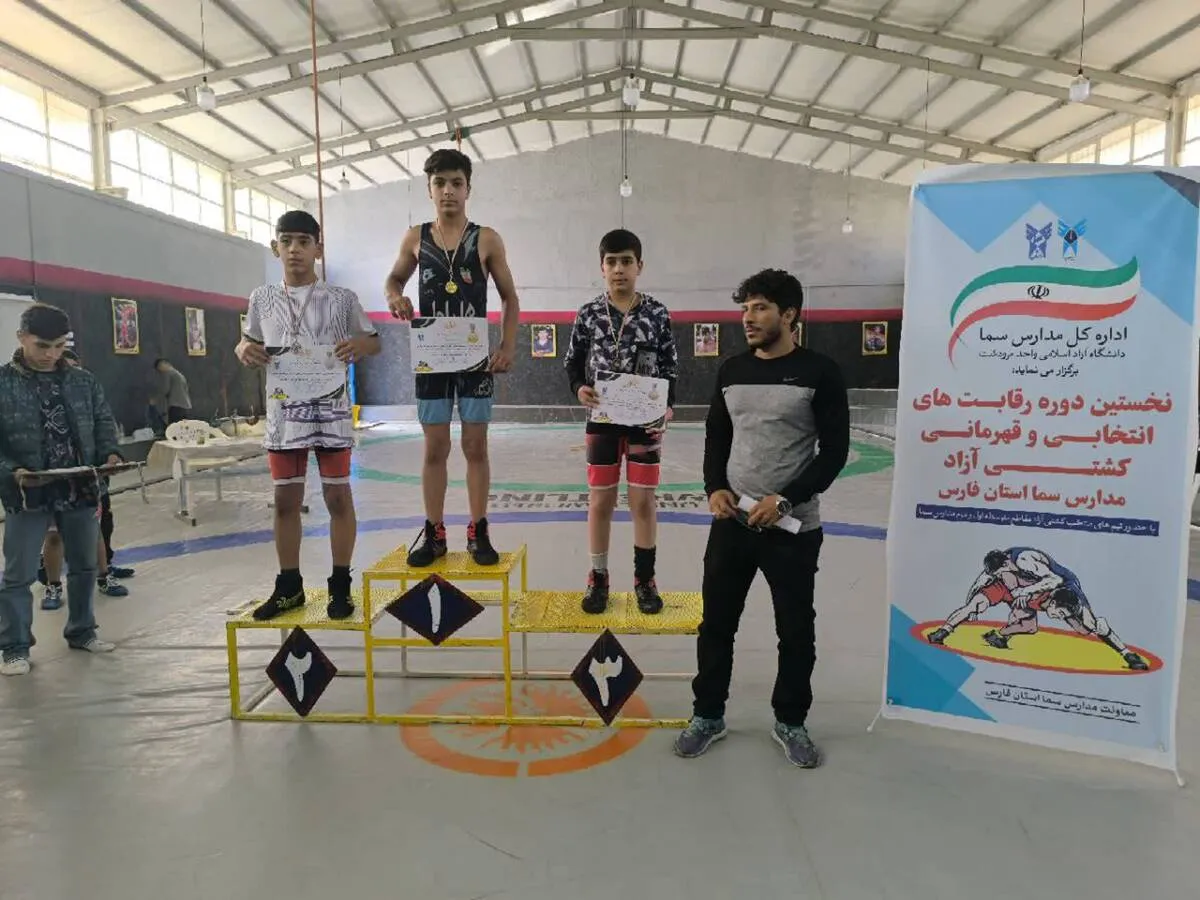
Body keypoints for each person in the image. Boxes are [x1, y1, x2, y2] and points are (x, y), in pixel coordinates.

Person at [673, 269, 850, 767]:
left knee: (795, 631)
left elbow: (835, 452)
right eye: (745, 308)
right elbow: (717, 436)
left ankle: (791, 721)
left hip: (792, 530)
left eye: (760, 308)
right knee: (716, 625)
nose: (748, 318)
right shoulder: (731, 370)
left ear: (788, 315)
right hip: (732, 524)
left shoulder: (820, 372)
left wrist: (786, 500)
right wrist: (714, 488)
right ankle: (708, 715)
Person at [235, 210, 381, 621]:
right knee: (285, 499)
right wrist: (242, 349)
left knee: (337, 496)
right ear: (275, 247)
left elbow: (374, 341)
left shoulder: (342, 298)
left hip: (331, 410)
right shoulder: (261, 298)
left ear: (318, 248)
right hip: (284, 413)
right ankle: (289, 586)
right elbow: (247, 342)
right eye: (286, 241)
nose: (294, 249)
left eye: (303, 241)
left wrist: (361, 346)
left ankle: (341, 584)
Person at [384, 148, 520, 567]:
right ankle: (434, 531)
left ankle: (479, 530)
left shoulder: (487, 239)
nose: (448, 191)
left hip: (475, 359)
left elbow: (509, 297)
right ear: (429, 189)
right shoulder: (415, 238)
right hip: (432, 360)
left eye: (456, 183)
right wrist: (394, 297)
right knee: (435, 448)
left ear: (468, 189)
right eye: (440, 183)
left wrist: (507, 346)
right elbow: (393, 279)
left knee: (475, 445)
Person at [0, 303, 121, 675]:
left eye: (58, 346)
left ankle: (83, 631)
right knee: (18, 575)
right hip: (27, 492)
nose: (51, 354)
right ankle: (14, 647)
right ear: (21, 338)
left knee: (84, 565)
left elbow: (103, 421)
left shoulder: (84, 381)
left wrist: (111, 453)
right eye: (42, 346)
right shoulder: (2, 383)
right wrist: (12, 471)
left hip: (80, 486)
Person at [563, 229, 677, 614]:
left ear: (639, 266)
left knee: (643, 502)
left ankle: (645, 580)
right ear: (602, 267)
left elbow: (670, 366)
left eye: (626, 261)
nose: (618, 269)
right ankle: (598, 578)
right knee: (601, 501)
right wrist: (579, 388)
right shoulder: (589, 313)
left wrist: (668, 406)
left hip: (646, 423)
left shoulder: (657, 313)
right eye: (611, 262)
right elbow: (572, 362)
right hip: (602, 422)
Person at [927, 548, 1150, 670]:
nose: (994, 576)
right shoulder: (1000, 566)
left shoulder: (1026, 561)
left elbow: (1054, 580)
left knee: (1086, 627)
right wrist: (971, 605)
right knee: (976, 603)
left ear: (1005, 564)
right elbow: (981, 581)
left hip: (1051, 587)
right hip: (1022, 588)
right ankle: (943, 631)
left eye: (996, 573)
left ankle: (1127, 654)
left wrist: (1025, 592)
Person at [36, 349, 133, 610]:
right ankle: (53, 586)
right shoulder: (32, 390)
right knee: (53, 536)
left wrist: (111, 453)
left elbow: (104, 423)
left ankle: (104, 576)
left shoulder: (87, 386)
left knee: (94, 531)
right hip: (50, 479)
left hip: (86, 476)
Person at [153, 357, 192, 424]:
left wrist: (156, 400)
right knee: (183, 427)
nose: (160, 370)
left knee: (173, 428)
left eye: (159, 367)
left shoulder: (168, 373)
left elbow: (165, 389)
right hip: (186, 406)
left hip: (176, 406)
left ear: (165, 364)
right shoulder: (179, 374)